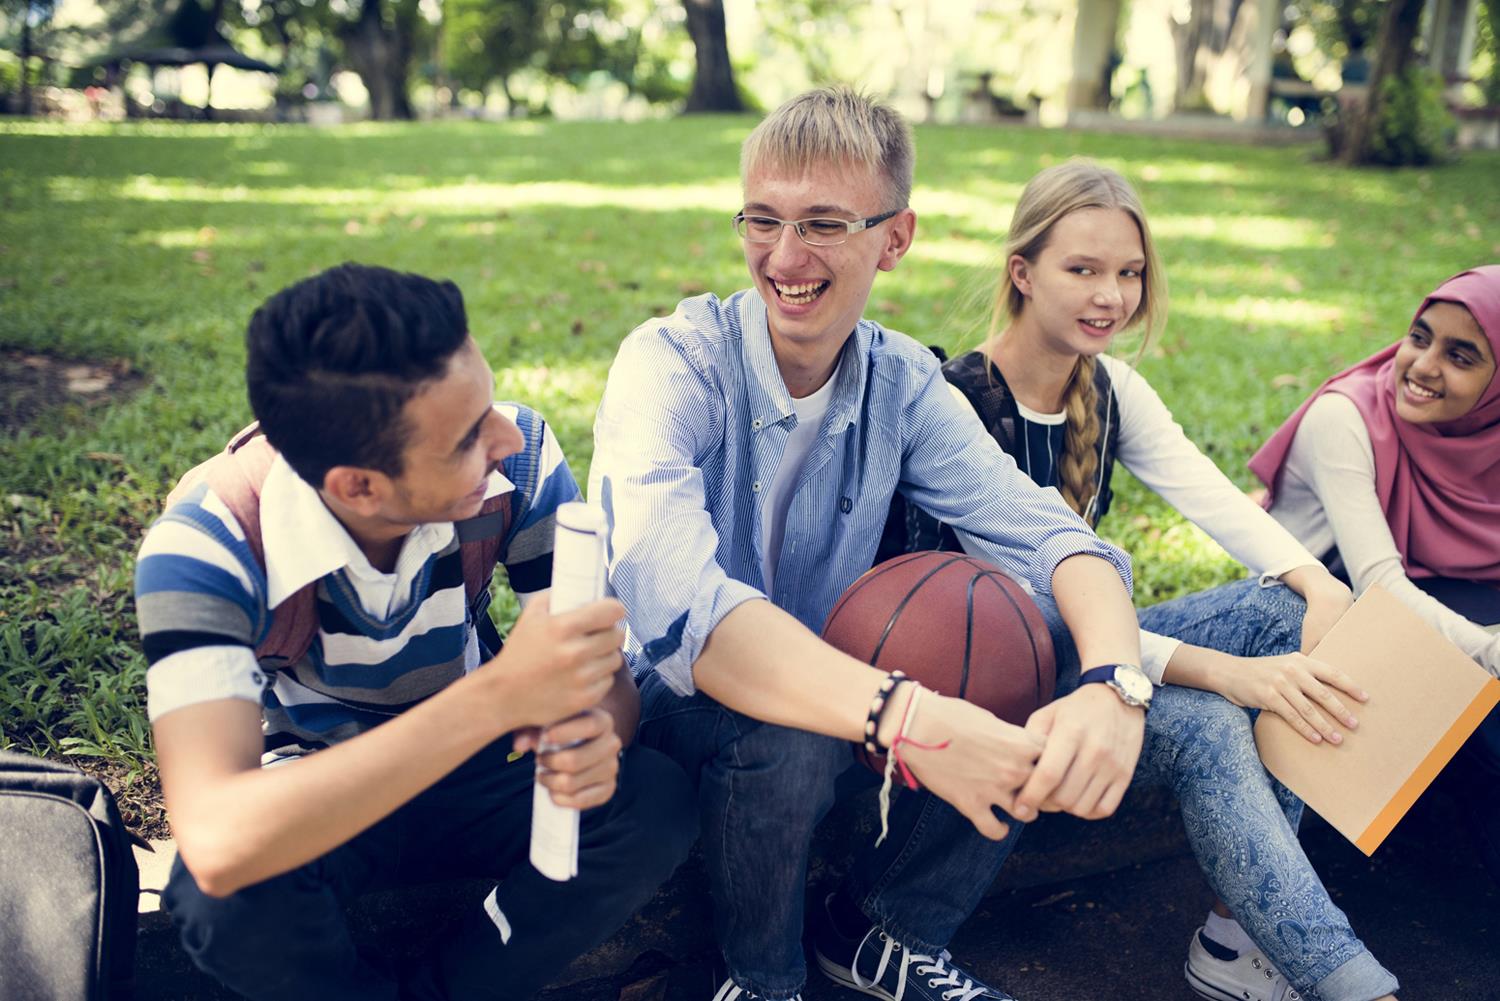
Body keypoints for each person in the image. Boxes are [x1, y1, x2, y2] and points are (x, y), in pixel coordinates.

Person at [589, 87, 1150, 1001]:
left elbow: (1049, 534)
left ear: (895, 239)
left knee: (1017, 634)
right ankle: (761, 979)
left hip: (854, 705)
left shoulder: (905, 382)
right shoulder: (671, 361)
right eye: (761, 220)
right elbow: (675, 596)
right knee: (788, 729)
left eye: (822, 225)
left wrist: (1114, 685)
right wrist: (908, 715)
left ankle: (884, 929)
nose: (783, 256)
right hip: (681, 711)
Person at [887, 160, 1399, 1001]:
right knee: (1205, 721)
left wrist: (1317, 582)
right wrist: (1218, 671)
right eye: (1082, 269)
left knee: (1279, 613)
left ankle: (1241, 934)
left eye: (1129, 273)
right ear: (1022, 272)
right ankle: (1341, 974)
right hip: (1004, 674)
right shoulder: (959, 403)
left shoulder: (1111, 388)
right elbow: (1037, 619)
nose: (1111, 296)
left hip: (1100, 653)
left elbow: (1212, 496)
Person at [133, 263, 696, 1001]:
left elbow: (605, 691)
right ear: (357, 486)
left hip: (485, 771)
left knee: (653, 799)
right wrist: (495, 696)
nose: (503, 436)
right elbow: (213, 835)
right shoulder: (206, 545)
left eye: (489, 403)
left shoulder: (519, 456)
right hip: (317, 778)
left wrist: (593, 734)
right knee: (225, 898)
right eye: (466, 437)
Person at [1250, 265, 1500, 882]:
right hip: (1320, 608)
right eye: (1421, 337)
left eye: (1460, 355)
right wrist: (1492, 651)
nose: (1420, 365)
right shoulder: (1345, 418)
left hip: (1429, 601)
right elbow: (1378, 586)